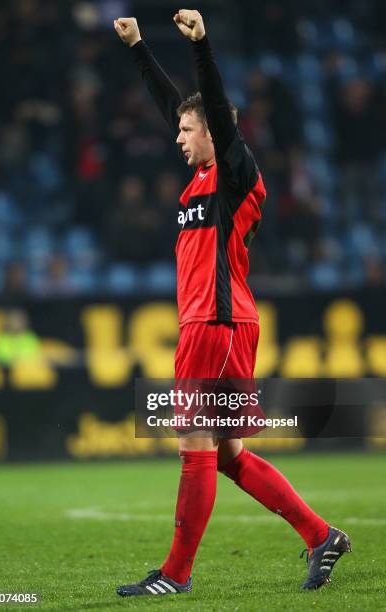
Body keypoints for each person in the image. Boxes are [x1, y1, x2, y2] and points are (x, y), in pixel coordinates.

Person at [114, 9, 351, 597]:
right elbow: (174, 103)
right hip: (210, 325)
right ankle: (321, 535)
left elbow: (213, 108)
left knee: (195, 447)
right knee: (226, 453)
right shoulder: (196, 180)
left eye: (188, 130)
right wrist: (140, 48)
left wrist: (202, 46)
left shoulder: (235, 173)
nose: (178, 135)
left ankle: (175, 575)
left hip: (218, 324)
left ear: (214, 135)